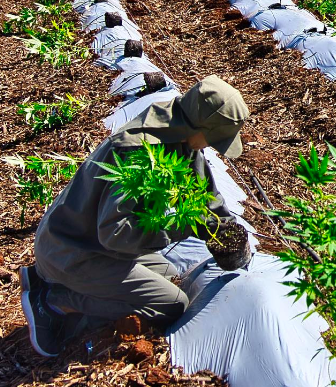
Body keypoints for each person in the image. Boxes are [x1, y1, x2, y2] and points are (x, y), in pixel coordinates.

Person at [19, 75, 250, 358]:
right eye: (214, 138)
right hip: (72, 249)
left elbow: (204, 195)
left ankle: (46, 279)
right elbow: (115, 233)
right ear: (199, 125)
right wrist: (179, 227)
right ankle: (53, 302)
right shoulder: (138, 151)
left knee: (170, 273)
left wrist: (224, 230)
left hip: (88, 242)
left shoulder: (178, 133)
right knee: (170, 304)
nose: (211, 147)